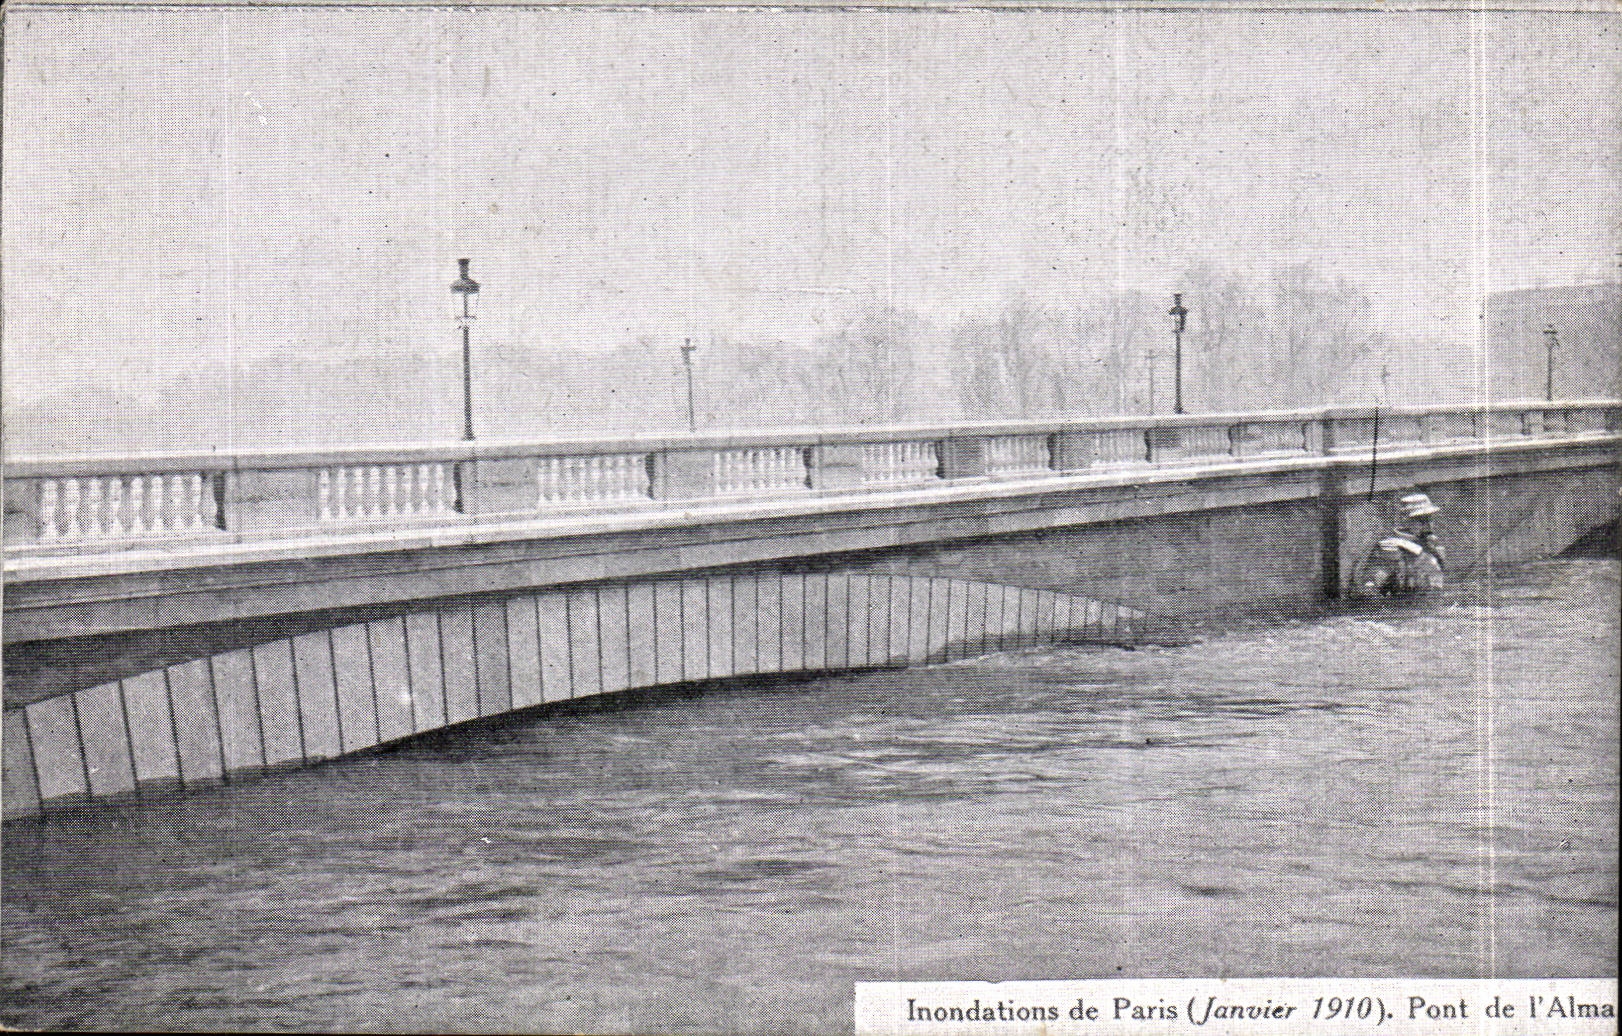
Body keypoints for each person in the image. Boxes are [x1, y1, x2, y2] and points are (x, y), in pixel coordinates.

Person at [1358, 492, 1445, 597]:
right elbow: (1371, 590)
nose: (1428, 525)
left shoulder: (1429, 545)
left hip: (1430, 605)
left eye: (1430, 519)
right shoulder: (1391, 548)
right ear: (1406, 521)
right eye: (1422, 520)